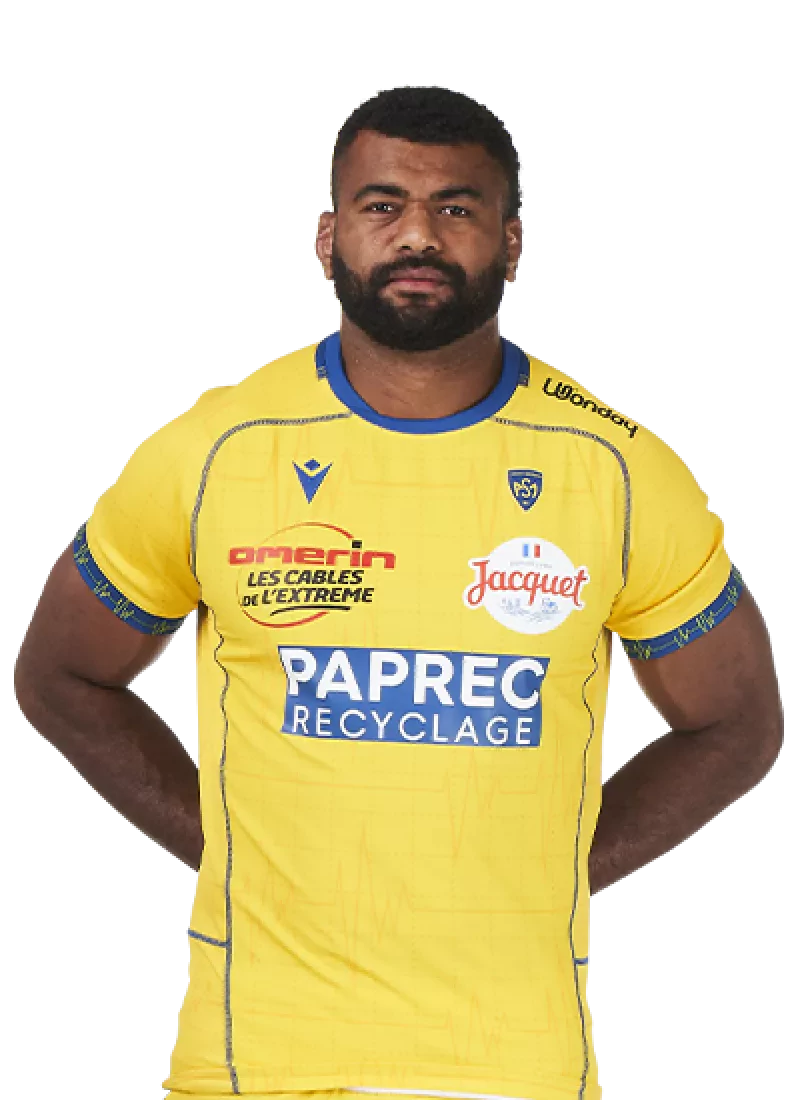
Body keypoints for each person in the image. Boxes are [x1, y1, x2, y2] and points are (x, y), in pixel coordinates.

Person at [15, 86, 782, 1100]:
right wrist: (234, 848)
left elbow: (735, 722)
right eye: (382, 205)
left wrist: (552, 864)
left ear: (512, 241)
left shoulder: (618, 467)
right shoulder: (213, 449)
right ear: (327, 235)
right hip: (256, 1064)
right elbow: (62, 672)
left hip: (514, 1068)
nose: (417, 235)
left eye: (456, 207)